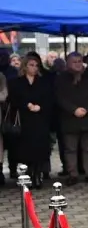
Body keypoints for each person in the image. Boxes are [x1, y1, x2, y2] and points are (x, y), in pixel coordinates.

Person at [55, 52, 88, 186]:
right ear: (68, 63)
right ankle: (73, 174)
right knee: (70, 149)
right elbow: (59, 97)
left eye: (79, 61)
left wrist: (87, 109)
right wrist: (73, 109)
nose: (77, 64)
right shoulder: (61, 78)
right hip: (69, 118)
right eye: (74, 61)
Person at [9, 55, 54, 187]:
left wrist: (40, 106)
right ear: (25, 66)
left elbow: (50, 98)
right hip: (24, 120)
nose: (34, 68)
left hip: (40, 119)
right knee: (25, 149)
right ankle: (28, 174)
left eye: (36, 65)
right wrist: (27, 105)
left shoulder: (43, 82)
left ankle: (37, 174)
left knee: (40, 148)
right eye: (31, 65)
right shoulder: (16, 82)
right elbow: (13, 99)